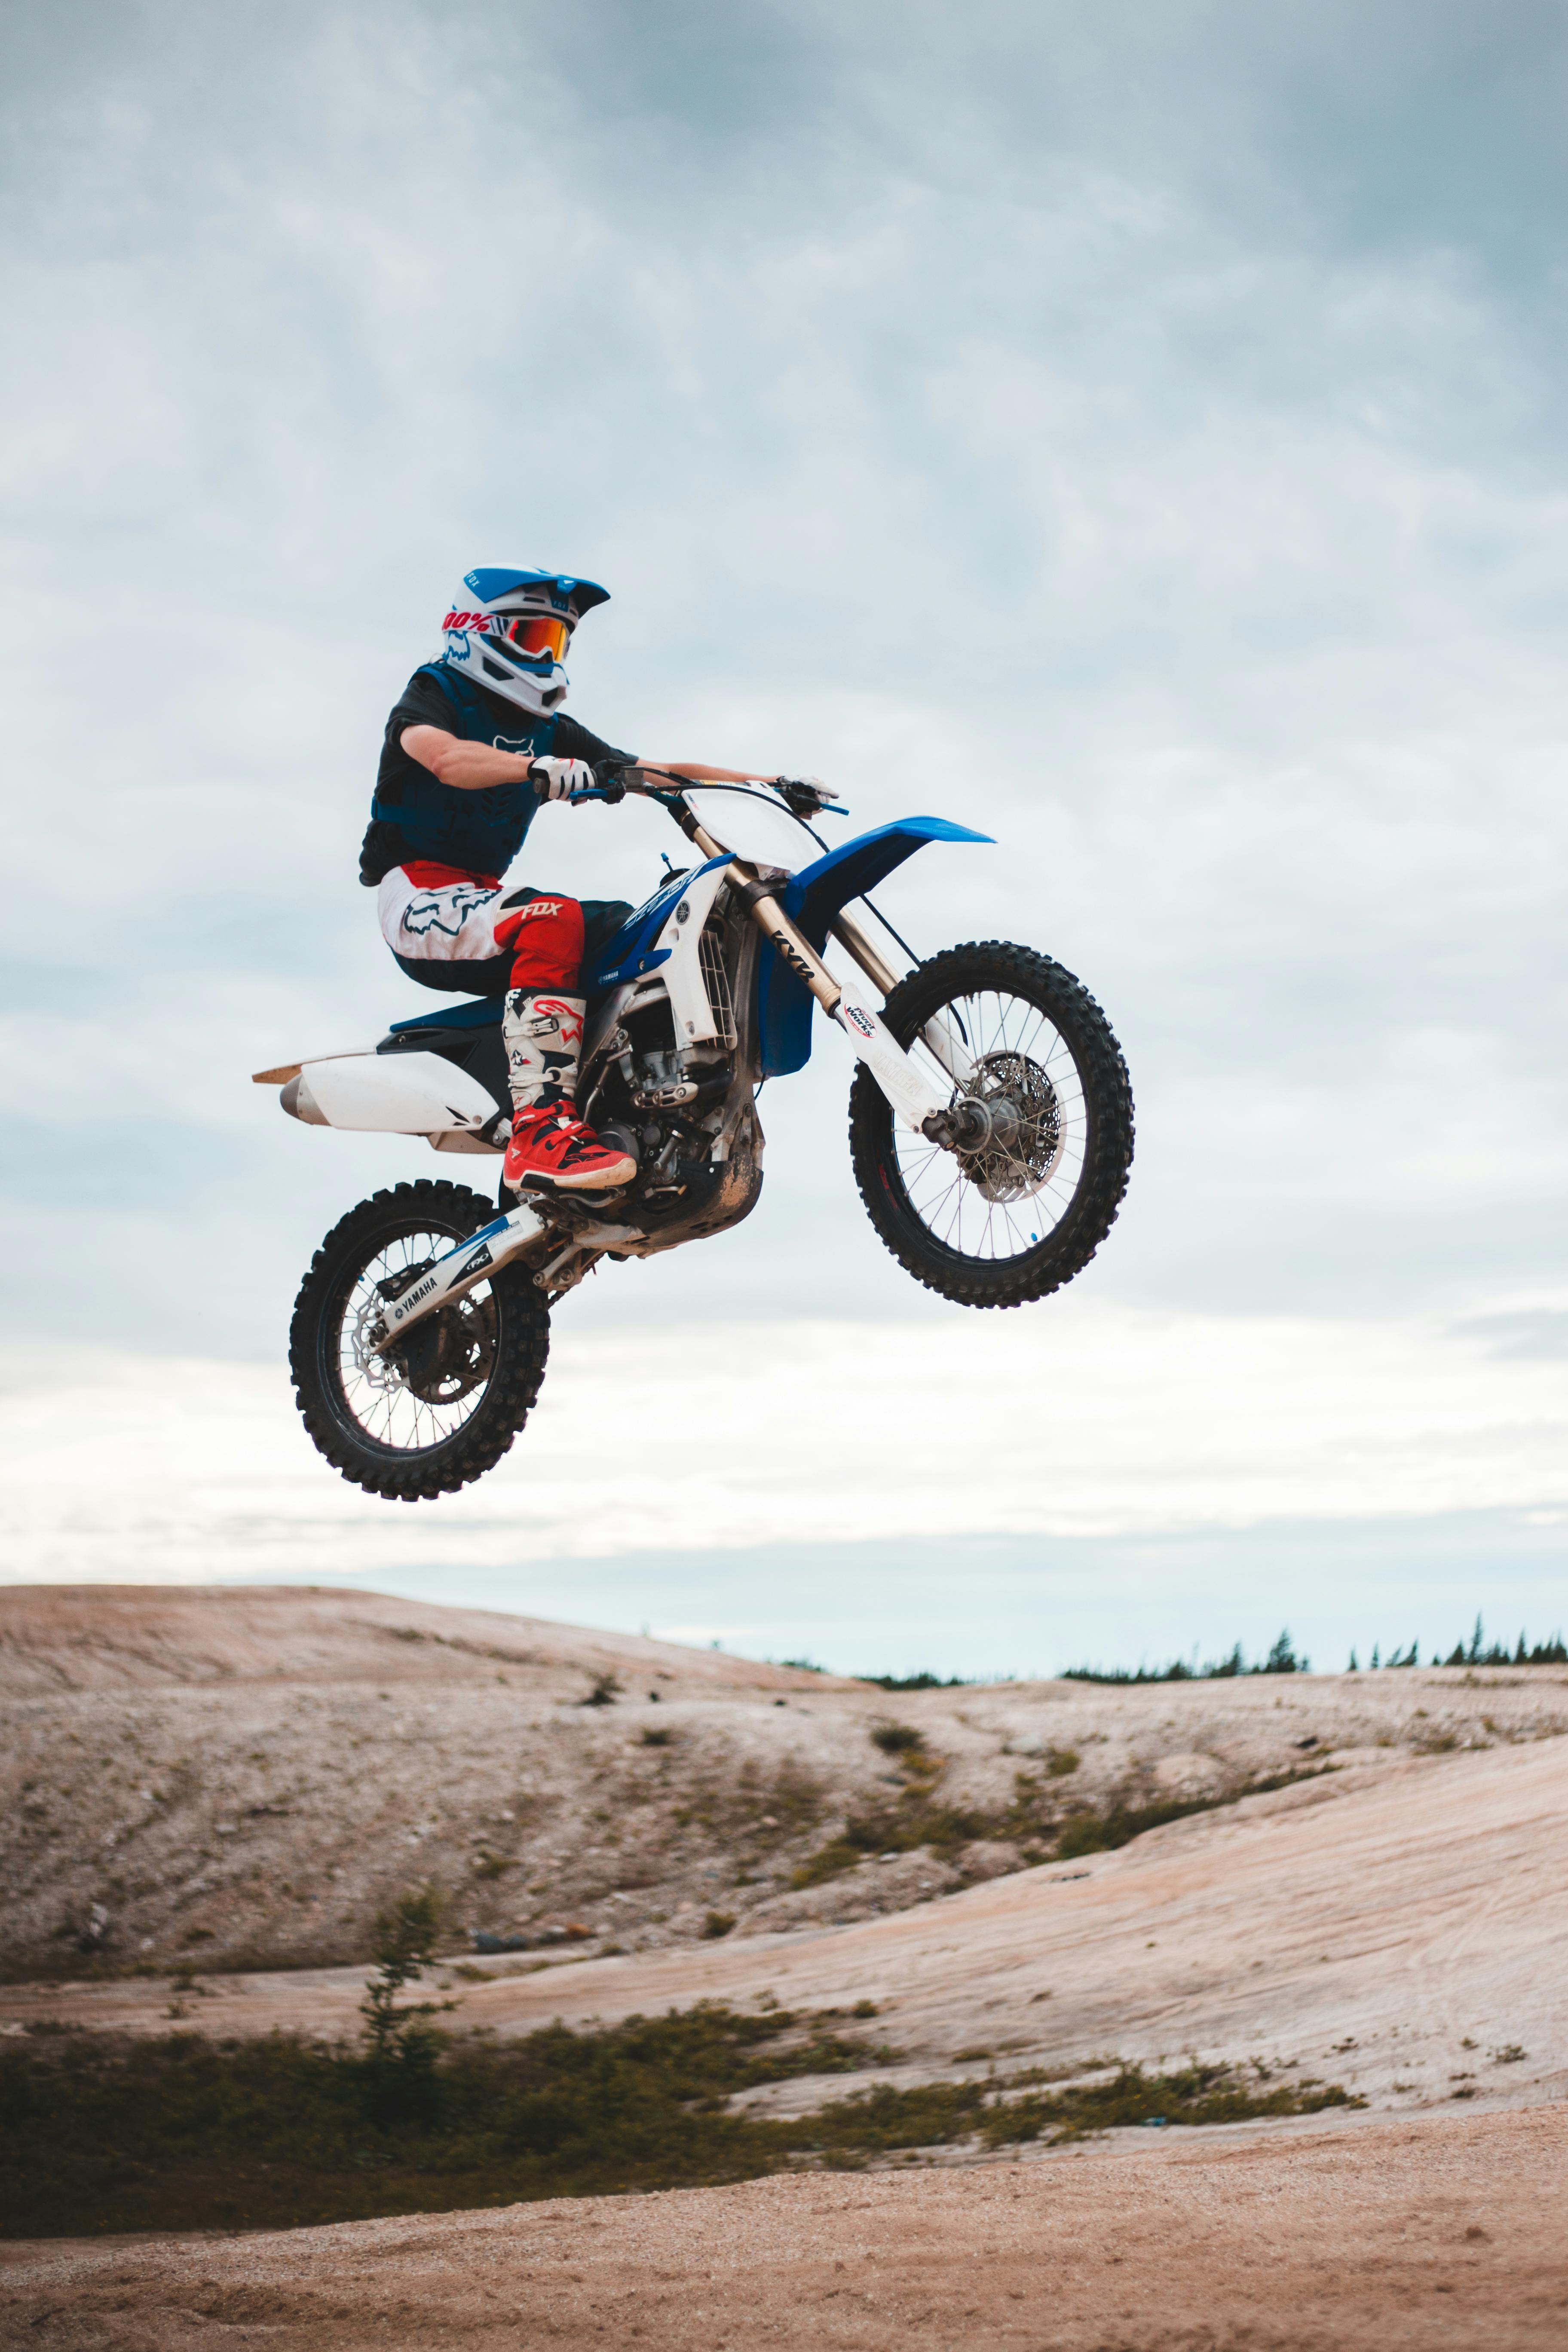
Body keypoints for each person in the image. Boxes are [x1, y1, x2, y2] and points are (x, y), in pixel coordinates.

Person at [360, 568, 789, 1195]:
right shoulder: (437, 692)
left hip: (480, 895)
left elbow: (655, 770)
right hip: (420, 895)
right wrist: (535, 769)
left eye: (557, 643)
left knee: (633, 927)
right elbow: (444, 758)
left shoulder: (550, 729)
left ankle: (619, 1102)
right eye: (532, 636)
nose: (545, 657)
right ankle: (538, 1129)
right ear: (478, 632)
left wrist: (765, 786)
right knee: (552, 919)